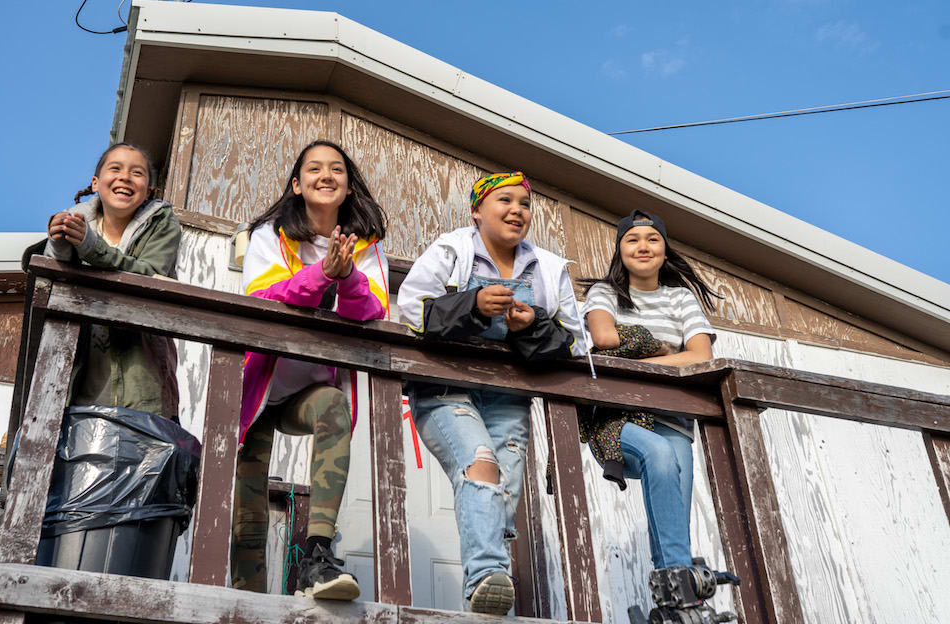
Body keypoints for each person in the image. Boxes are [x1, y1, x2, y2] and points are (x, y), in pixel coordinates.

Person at [398, 171, 586, 615]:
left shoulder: (549, 268)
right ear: (476, 210)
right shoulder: (452, 250)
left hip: (509, 396)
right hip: (446, 388)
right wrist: (472, 307)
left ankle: (491, 597)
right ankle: (485, 576)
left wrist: (533, 324)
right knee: (480, 465)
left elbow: (577, 342)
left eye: (524, 203)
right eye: (504, 200)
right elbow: (410, 309)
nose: (516, 210)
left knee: (505, 490)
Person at [234, 140, 389, 600]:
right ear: (297, 185)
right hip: (258, 392)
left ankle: (318, 556)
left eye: (336, 169)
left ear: (348, 187)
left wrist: (346, 277)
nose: (326, 175)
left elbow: (374, 309)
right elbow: (262, 296)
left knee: (335, 406)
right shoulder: (269, 235)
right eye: (314, 169)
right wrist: (323, 274)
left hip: (309, 392)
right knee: (249, 519)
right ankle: (246, 600)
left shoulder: (364, 246)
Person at [579, 209, 719, 573]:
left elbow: (701, 355)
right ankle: (681, 579)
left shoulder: (680, 298)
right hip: (617, 420)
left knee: (676, 521)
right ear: (620, 250)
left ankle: (675, 588)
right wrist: (669, 353)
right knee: (658, 454)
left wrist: (642, 362)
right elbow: (604, 337)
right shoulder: (605, 292)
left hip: (673, 422)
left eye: (653, 239)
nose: (643, 246)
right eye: (633, 239)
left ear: (665, 250)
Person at [44, 142, 182, 419]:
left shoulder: (162, 224)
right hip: (77, 384)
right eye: (115, 168)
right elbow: (53, 282)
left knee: (141, 455)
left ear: (149, 192)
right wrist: (58, 246)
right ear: (96, 183)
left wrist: (91, 247)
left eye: (137, 173)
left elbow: (151, 274)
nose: (125, 177)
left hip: (142, 386)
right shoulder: (77, 222)